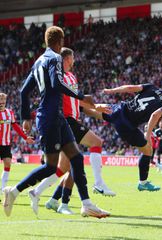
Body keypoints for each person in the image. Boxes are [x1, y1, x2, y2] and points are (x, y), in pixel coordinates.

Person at [2, 26, 110, 218]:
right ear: (60, 42)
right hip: (50, 117)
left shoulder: (38, 62)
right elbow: (56, 84)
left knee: (76, 158)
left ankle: (86, 204)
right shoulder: (56, 58)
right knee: (52, 166)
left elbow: (23, 92)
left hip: (55, 116)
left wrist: (25, 117)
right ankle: (15, 191)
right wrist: (81, 96)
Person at [28, 47, 115, 215]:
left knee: (67, 167)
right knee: (94, 144)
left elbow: (79, 104)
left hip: (72, 120)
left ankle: (45, 196)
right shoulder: (60, 77)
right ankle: (96, 185)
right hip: (66, 120)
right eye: (73, 57)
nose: (74, 61)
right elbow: (68, 99)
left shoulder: (71, 76)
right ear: (67, 58)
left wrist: (99, 112)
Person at [97, 84, 162, 191]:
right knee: (148, 151)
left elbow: (130, 88)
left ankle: (76, 106)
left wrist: (110, 90)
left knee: (92, 108)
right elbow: (155, 115)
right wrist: (148, 134)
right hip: (127, 125)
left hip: (120, 109)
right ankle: (143, 183)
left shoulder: (153, 87)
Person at [0, 93, 35, 192]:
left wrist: (25, 137)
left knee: (7, 163)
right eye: (0, 100)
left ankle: (2, 188)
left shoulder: (9, 113)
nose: (2, 102)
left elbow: (15, 126)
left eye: (3, 100)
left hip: (6, 144)